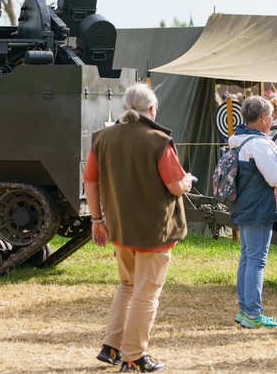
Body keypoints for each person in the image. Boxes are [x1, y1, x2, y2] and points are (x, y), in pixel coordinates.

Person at [84, 83, 194, 373]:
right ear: (152, 109)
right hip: (154, 231)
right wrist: (188, 181)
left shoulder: (102, 137)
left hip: (119, 226)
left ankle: (111, 346)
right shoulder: (158, 141)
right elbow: (174, 185)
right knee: (146, 293)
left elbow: (90, 181)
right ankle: (133, 356)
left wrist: (97, 220)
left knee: (128, 285)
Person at [227, 96, 277, 328]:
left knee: (248, 258)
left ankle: (245, 309)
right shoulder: (258, 144)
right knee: (256, 260)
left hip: (245, 205)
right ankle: (253, 313)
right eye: (269, 115)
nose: (271, 119)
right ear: (262, 118)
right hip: (258, 207)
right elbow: (276, 177)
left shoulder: (240, 140)